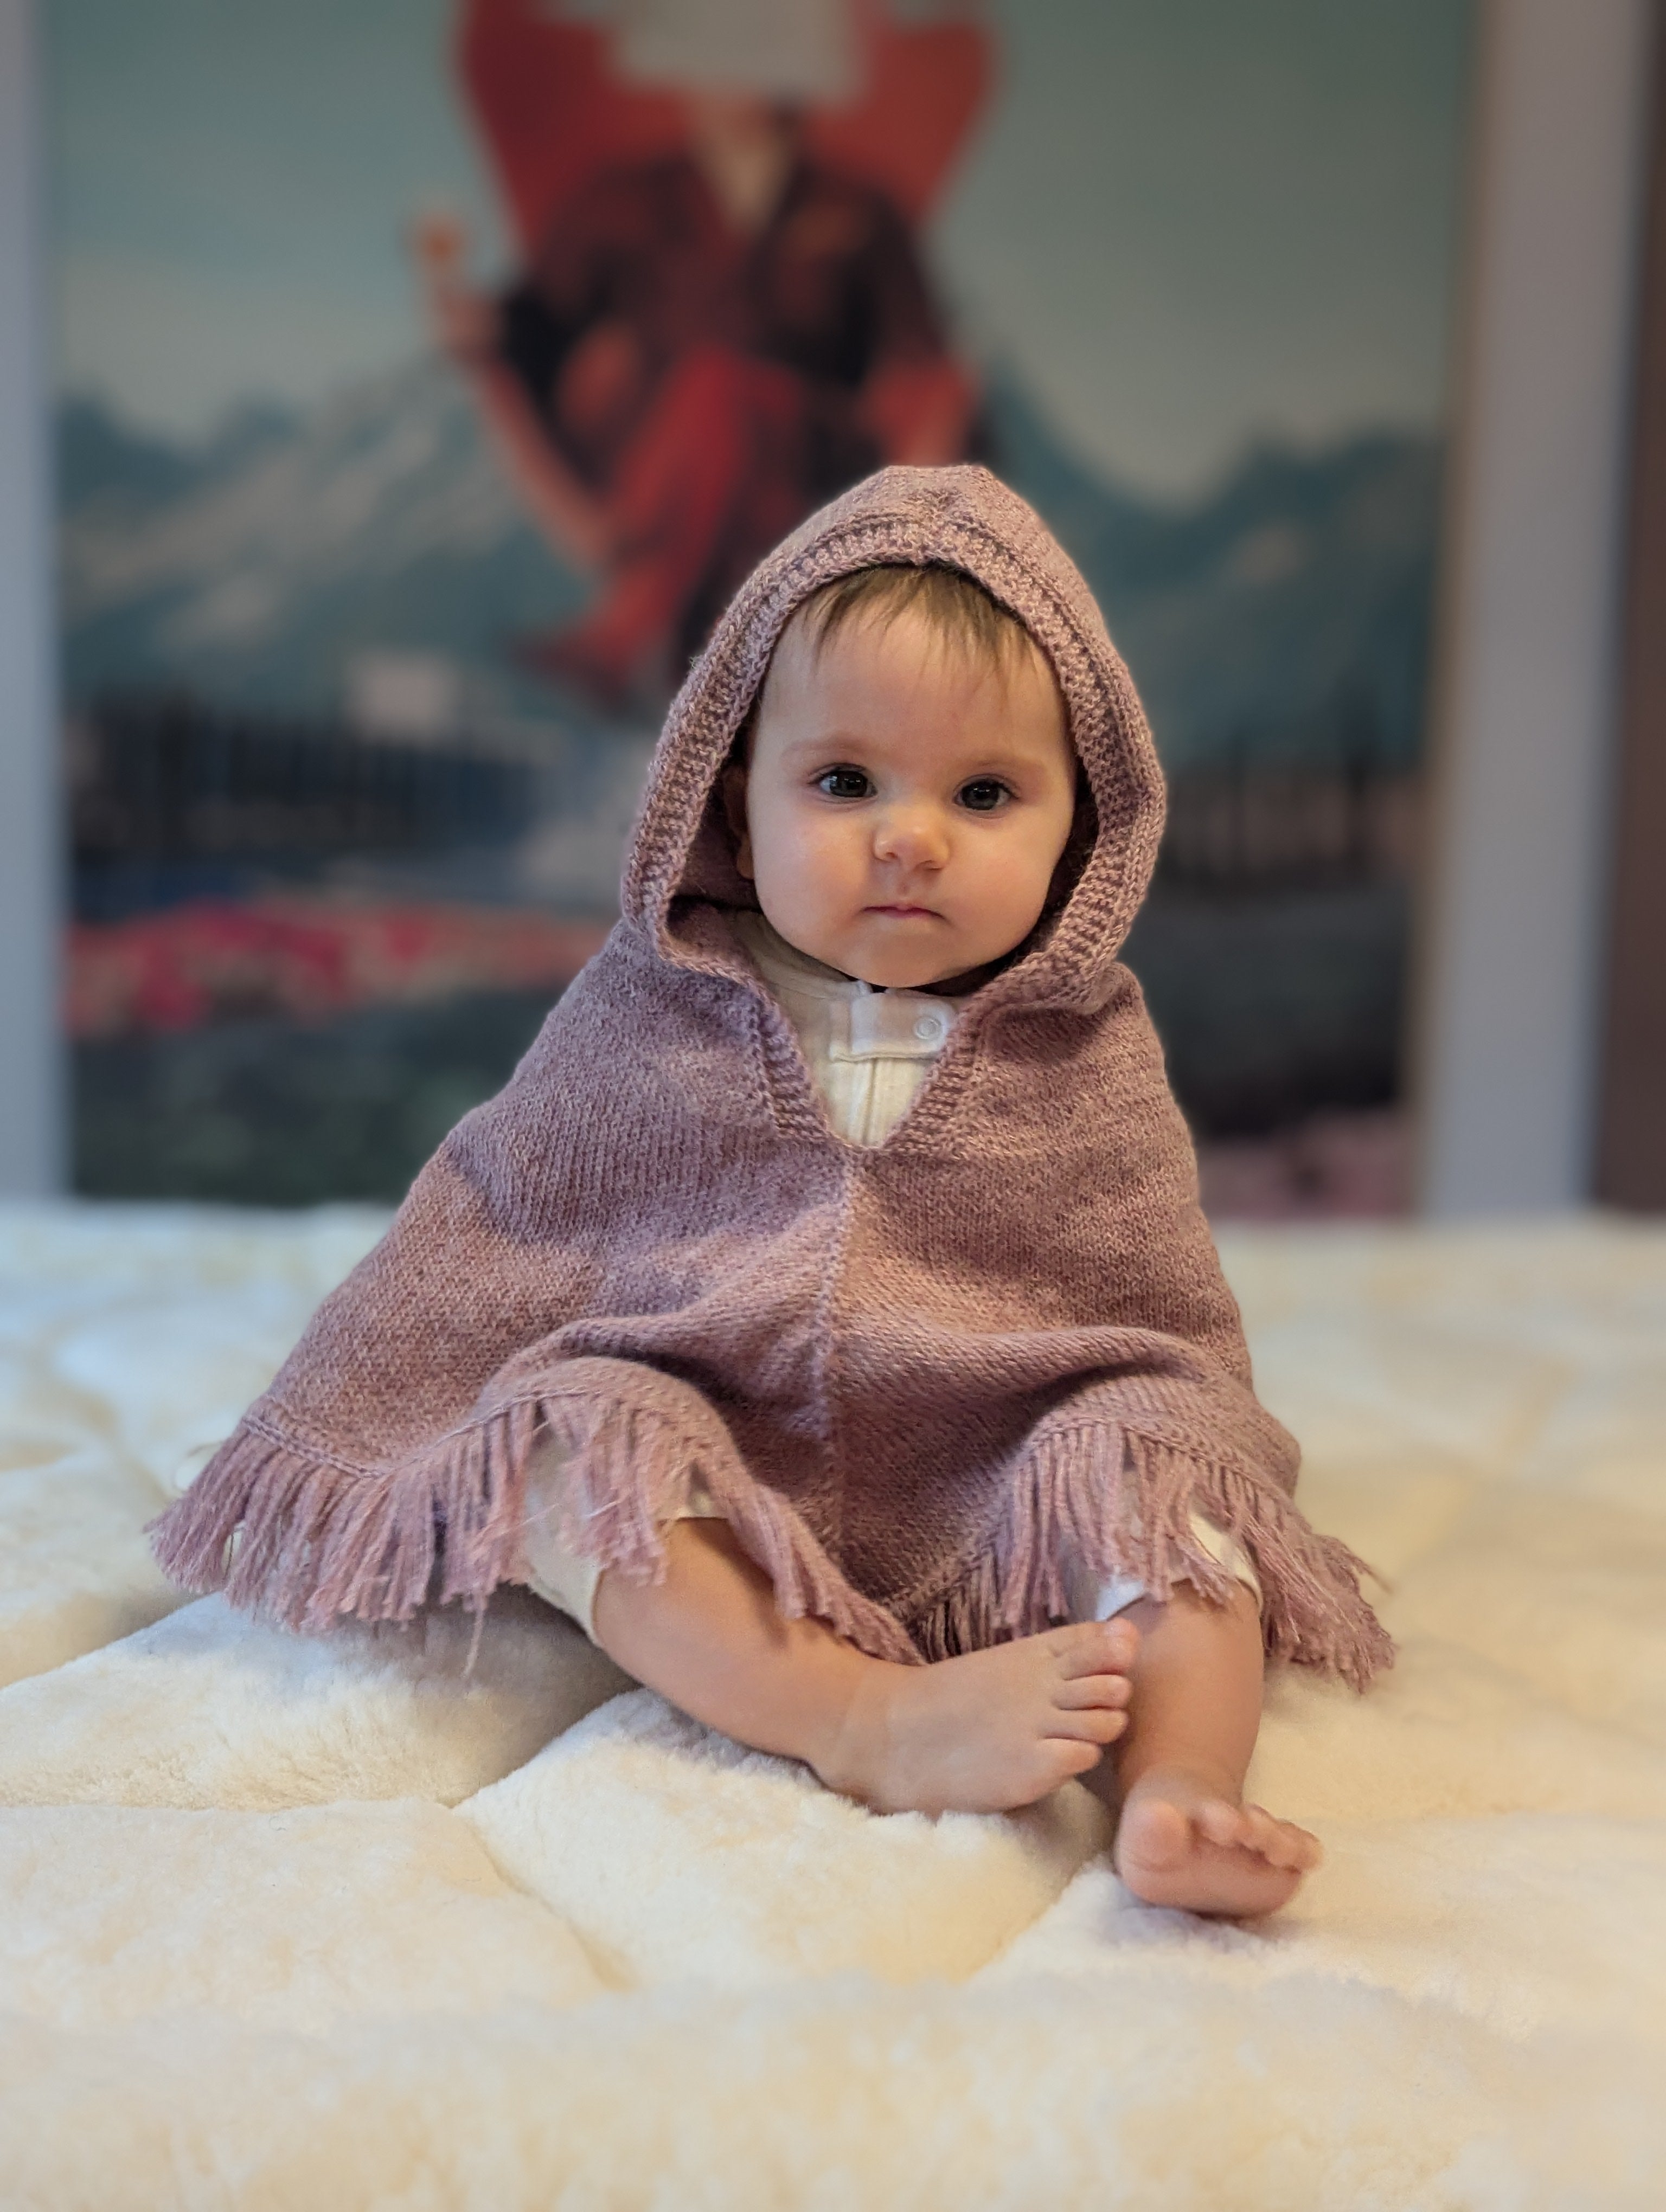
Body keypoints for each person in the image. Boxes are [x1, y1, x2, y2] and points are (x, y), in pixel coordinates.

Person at [152, 466, 1391, 1919]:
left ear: (1082, 830)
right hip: (709, 1428)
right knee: (573, 1454)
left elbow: (1146, 1312)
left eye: (984, 792)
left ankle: (1183, 1784)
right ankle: (847, 1712)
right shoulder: (655, 1009)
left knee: (1170, 1485)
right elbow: (506, 1227)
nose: (908, 836)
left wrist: (1152, 1437)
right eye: (845, 781)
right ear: (735, 797)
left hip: (1010, 1453)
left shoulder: (1082, 1044)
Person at [418, 80, 975, 706]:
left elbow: (919, 351)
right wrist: (481, 323)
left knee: (720, 385)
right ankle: (689, 634)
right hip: (672, 467)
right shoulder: (625, 197)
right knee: (704, 394)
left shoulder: (859, 209)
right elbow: (540, 317)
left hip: (811, 455)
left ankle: (624, 629)